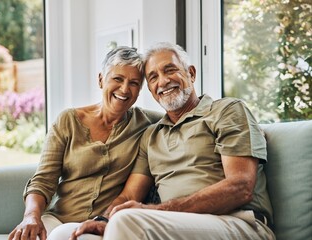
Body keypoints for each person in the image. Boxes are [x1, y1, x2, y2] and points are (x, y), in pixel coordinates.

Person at [69, 42, 275, 240]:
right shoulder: (151, 136)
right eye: (153, 77)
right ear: (149, 89)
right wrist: (103, 219)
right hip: (172, 224)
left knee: (127, 221)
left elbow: (240, 187)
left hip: (239, 222)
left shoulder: (226, 111)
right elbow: (129, 194)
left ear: (191, 73)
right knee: (79, 235)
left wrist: (155, 211)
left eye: (170, 70)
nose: (163, 81)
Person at [7, 46, 162, 240]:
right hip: (58, 218)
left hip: (102, 224)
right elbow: (43, 180)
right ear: (100, 80)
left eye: (134, 83)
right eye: (117, 79)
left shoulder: (149, 123)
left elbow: (179, 117)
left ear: (140, 90)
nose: (124, 89)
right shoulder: (68, 121)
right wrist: (31, 216)